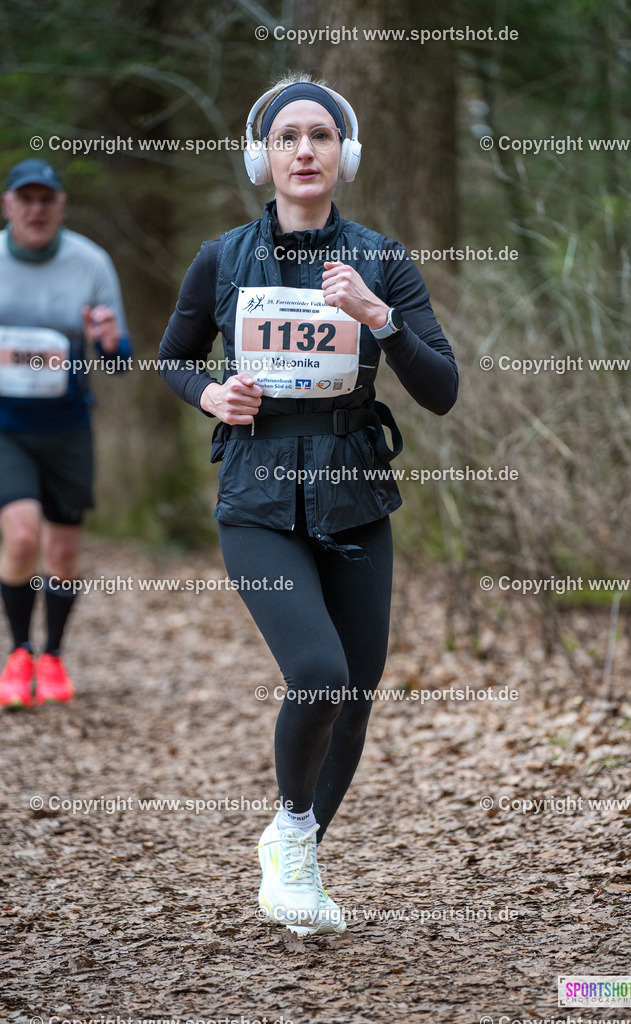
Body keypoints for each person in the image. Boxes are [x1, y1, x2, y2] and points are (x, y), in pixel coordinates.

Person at [158, 74, 458, 935]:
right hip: (256, 500)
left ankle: (297, 853)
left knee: (354, 696)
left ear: (342, 156)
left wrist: (382, 320)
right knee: (318, 675)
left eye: (320, 136)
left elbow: (440, 391)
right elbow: (173, 358)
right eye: (287, 137)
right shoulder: (218, 257)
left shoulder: (383, 261)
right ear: (263, 156)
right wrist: (212, 396)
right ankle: (291, 832)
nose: (303, 151)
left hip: (354, 496)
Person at [0, 159, 131, 708]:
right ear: (7, 205)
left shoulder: (91, 263)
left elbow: (122, 359)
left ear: (61, 205)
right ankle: (18, 653)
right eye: (24, 199)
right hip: (6, 426)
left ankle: (52, 656)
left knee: (64, 552)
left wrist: (108, 340)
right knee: (23, 536)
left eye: (45, 199)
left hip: (69, 426)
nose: (35, 209)